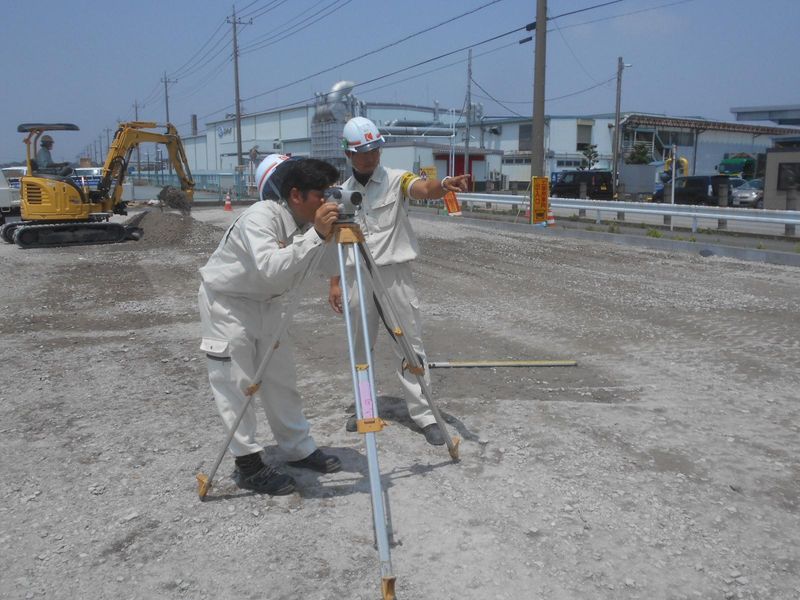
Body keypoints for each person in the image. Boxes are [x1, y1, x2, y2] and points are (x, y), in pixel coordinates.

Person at [198, 155, 342, 495]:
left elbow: (325, 265)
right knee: (237, 385)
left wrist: (332, 235)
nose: (328, 201)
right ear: (296, 195)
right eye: (321, 193)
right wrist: (316, 235)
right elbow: (270, 268)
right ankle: (247, 463)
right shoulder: (260, 217)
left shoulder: (305, 224)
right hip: (229, 305)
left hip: (269, 305)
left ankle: (297, 448)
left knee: (281, 379)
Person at [328, 116, 469, 446]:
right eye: (362, 152)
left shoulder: (395, 179)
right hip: (356, 276)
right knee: (360, 345)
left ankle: (424, 414)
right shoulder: (340, 193)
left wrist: (444, 183)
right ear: (348, 154)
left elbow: (421, 188)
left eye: (374, 150)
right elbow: (336, 239)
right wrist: (334, 281)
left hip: (394, 276)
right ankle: (364, 409)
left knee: (410, 344)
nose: (370, 157)